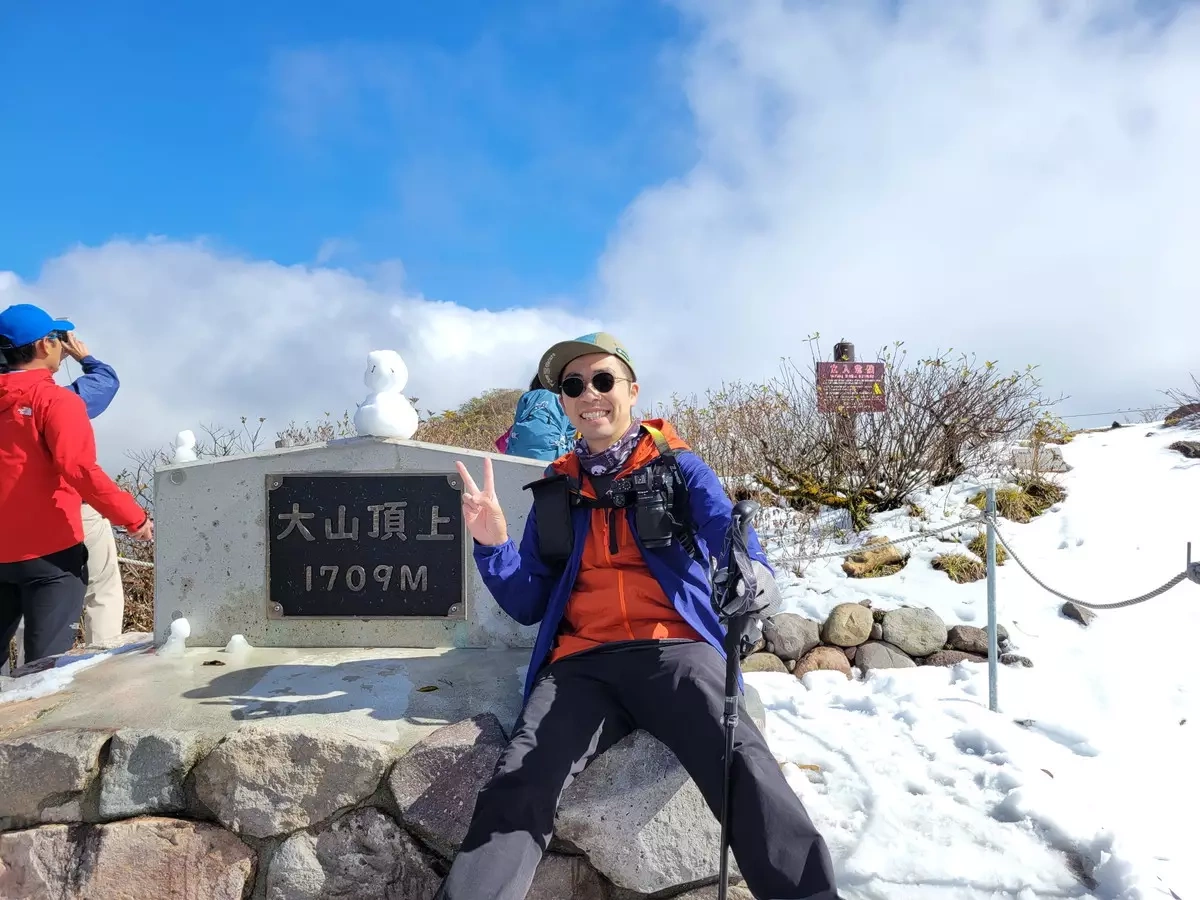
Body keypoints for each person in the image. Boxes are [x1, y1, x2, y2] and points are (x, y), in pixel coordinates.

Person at [440, 332, 840, 900]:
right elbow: (528, 603)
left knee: (742, 762)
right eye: (573, 385)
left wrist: (753, 573)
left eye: (603, 380)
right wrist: (493, 544)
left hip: (674, 649)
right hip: (581, 665)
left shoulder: (680, 469)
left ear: (632, 391)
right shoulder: (556, 489)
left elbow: (728, 532)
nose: (589, 394)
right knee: (521, 780)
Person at [0, 303, 152, 664]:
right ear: (43, 346)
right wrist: (134, 518)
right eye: (55, 337)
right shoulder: (56, 400)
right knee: (43, 670)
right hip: (49, 555)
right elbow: (79, 468)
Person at [57, 330, 127, 646]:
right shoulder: (57, 401)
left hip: (10, 517)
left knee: (24, 599)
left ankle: (27, 678)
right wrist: (85, 358)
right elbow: (105, 384)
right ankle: (102, 660)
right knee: (102, 589)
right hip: (69, 509)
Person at [501, 373, 578, 462]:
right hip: (552, 456)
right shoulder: (563, 399)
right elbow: (570, 430)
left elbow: (517, 422)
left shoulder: (526, 396)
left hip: (515, 453)